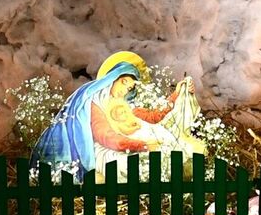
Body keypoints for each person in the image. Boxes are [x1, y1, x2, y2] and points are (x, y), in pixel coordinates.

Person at [33, 53, 194, 179]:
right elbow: (106, 136)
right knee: (133, 165)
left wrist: (177, 94)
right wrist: (141, 145)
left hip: (128, 144)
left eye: (130, 88)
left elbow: (153, 116)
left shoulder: (124, 104)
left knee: (164, 146)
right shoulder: (95, 104)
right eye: (124, 82)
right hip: (107, 150)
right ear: (112, 78)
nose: (125, 90)